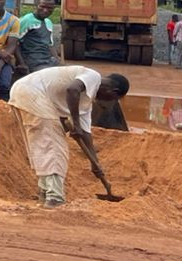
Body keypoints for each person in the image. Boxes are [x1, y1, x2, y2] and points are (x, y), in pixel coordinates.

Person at [8, 67, 130, 208]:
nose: (108, 104)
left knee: (43, 145)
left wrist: (95, 163)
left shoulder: (86, 103)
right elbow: (72, 90)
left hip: (23, 93)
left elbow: (86, 134)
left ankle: (45, 193)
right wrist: (76, 123)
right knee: (54, 147)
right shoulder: (93, 76)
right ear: (112, 91)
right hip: (32, 93)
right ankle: (54, 197)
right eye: (113, 100)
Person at [16, 0, 59, 76]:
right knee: (48, 75)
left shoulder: (48, 22)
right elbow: (15, 43)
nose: (45, 10)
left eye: (49, 8)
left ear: (54, 8)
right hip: (32, 61)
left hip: (47, 60)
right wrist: (22, 63)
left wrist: (57, 59)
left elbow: (50, 44)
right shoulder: (27, 20)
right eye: (42, 7)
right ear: (36, 6)